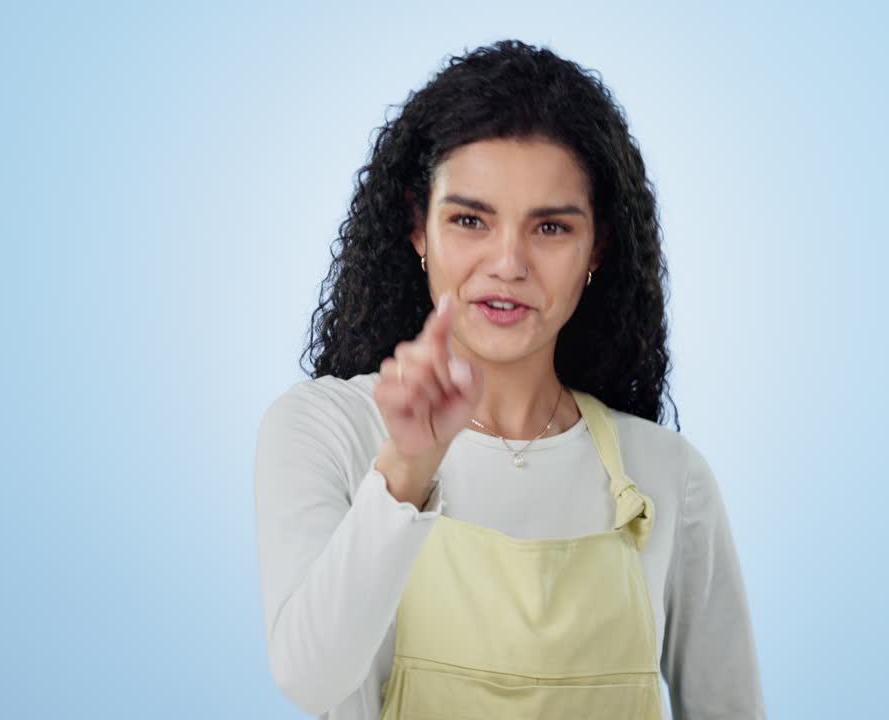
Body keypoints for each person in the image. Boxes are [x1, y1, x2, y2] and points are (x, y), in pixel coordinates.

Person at [254, 39, 766, 720]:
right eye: (470, 219)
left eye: (550, 227)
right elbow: (309, 679)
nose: (508, 263)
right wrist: (408, 470)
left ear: (597, 247)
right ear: (417, 227)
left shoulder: (669, 476)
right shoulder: (328, 430)